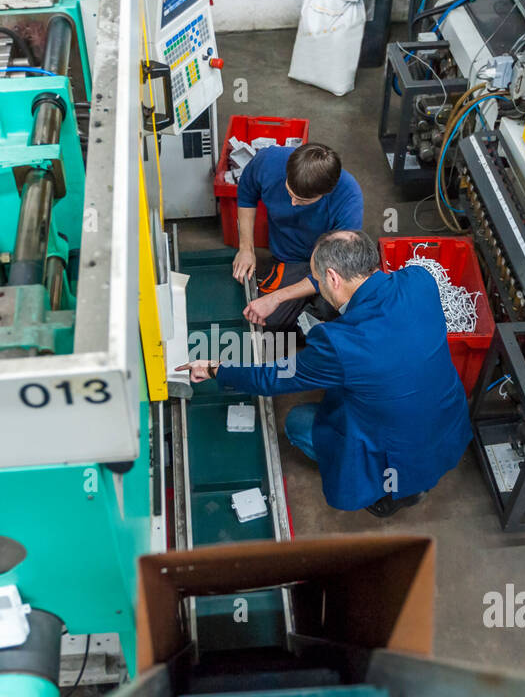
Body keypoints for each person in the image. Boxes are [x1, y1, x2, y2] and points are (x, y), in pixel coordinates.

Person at [181, 229, 471, 517]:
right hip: (448, 427)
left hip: (398, 459)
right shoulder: (420, 280)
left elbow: (272, 378)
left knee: (297, 423)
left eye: (317, 280)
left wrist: (213, 368)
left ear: (332, 277)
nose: (317, 285)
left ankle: (389, 492)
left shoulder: (338, 344)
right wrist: (279, 299)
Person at [231, 142, 363, 331]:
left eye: (302, 200)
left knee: (347, 316)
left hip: (330, 265)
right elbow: (246, 195)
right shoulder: (269, 161)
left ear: (326, 193)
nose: (292, 203)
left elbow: (337, 265)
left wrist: (277, 297)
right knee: (268, 320)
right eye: (289, 192)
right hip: (291, 258)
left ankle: (313, 314)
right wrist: (246, 248)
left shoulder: (349, 199)